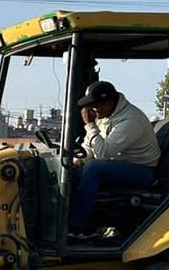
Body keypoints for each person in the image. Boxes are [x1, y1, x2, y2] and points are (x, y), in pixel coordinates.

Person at [69, 79, 162, 235]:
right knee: (71, 172)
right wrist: (77, 161)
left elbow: (104, 152)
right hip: (119, 164)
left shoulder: (130, 120)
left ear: (109, 103)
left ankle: (76, 225)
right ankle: (86, 222)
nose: (92, 110)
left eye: (94, 105)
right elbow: (89, 147)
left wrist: (89, 125)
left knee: (93, 169)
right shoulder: (104, 117)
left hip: (142, 170)